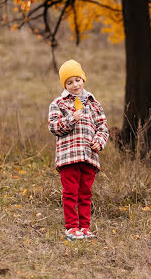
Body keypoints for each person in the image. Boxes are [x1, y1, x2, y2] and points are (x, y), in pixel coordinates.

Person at [48, 59, 109, 240]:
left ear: (83, 79)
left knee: (85, 193)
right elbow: (54, 127)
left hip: (89, 157)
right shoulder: (59, 103)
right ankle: (71, 227)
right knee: (70, 192)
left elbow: (103, 128)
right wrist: (71, 119)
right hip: (68, 156)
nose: (74, 85)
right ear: (64, 85)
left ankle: (85, 227)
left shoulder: (94, 104)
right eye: (69, 82)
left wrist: (99, 142)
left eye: (77, 80)